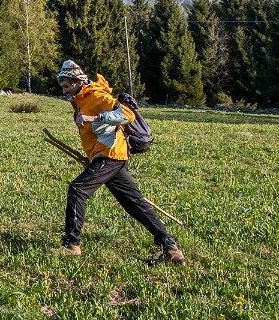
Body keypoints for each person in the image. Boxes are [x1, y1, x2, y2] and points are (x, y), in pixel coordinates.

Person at [55, 59, 185, 264]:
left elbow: (127, 114)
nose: (63, 90)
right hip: (105, 156)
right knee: (134, 203)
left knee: (77, 189)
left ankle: (71, 244)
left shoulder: (97, 96)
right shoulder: (80, 100)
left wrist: (92, 119)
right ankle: (170, 248)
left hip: (111, 155)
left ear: (77, 81)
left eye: (66, 85)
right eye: (61, 85)